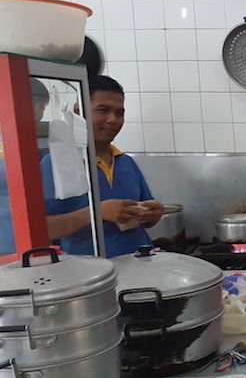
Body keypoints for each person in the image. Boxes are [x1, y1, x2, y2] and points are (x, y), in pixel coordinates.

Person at [40, 75, 163, 257]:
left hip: (140, 263)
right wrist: (96, 213)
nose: (113, 120)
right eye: (103, 110)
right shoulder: (56, 164)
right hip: (91, 270)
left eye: (119, 113)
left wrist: (153, 214)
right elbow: (44, 229)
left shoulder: (125, 162)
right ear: (79, 113)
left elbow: (146, 209)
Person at [0, 78, 52, 256]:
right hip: (13, 235)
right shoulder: (19, 137)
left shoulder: (31, 139)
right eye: (42, 107)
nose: (41, 113)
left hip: (26, 232)